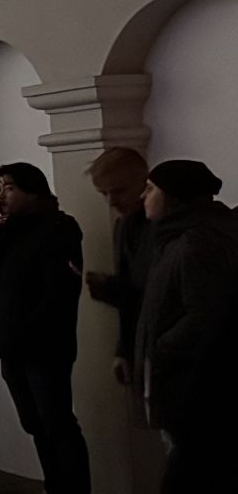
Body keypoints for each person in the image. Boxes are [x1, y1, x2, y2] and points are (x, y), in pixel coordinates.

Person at [134, 160, 238, 494]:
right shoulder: (178, 238)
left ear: (172, 196)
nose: (141, 197)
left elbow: (202, 315)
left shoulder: (196, 243)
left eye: (149, 187)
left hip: (191, 386)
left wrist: (159, 349)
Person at [0, 161, 94, 494]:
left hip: (45, 346)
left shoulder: (59, 229)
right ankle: (53, 492)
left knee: (58, 422)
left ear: (34, 190)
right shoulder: (4, 231)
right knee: (35, 422)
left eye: (9, 188)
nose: (1, 196)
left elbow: (58, 294)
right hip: (11, 345)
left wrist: (30, 330)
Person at [84, 147, 155, 411]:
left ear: (144, 182)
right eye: (104, 194)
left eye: (119, 191)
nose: (111, 202)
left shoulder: (166, 227)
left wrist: (113, 289)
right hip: (143, 349)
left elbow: (161, 296)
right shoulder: (124, 227)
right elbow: (133, 295)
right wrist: (123, 351)